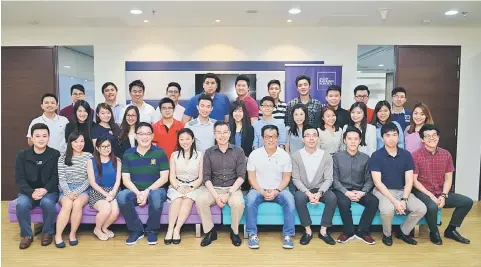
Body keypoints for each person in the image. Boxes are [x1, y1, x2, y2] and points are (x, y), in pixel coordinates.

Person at [412, 124, 473, 245]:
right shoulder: (415, 155)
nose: (432, 138)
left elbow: (448, 178)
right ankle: (434, 232)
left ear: (438, 137)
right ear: (422, 139)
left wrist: (444, 195)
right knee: (432, 206)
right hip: (422, 191)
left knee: (467, 202)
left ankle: (451, 230)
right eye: (428, 136)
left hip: (441, 191)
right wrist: (431, 196)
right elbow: (414, 181)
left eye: (434, 135)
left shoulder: (446, 154)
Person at [369, 123, 427, 246]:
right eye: (388, 135)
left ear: (398, 137)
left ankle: (403, 232)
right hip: (382, 191)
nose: (391, 138)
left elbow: (409, 180)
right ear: (382, 138)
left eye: (395, 135)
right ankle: (387, 234)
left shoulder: (406, 155)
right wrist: (395, 202)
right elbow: (377, 182)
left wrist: (404, 199)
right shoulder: (376, 156)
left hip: (402, 190)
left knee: (421, 208)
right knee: (387, 209)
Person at [116, 122, 169, 246]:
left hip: (156, 189)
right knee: (122, 196)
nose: (144, 137)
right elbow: (126, 179)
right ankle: (136, 230)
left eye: (148, 134)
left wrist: (146, 192)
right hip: (135, 190)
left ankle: (151, 230)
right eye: (141, 134)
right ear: (135, 136)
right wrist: (138, 193)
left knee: (155, 196)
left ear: (152, 136)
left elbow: (164, 177)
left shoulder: (160, 152)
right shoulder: (128, 153)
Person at [196, 121, 246, 247]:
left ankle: (234, 232)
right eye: (219, 132)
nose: (222, 135)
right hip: (214, 188)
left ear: (229, 134)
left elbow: (241, 177)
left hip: (232, 188)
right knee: (201, 200)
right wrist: (217, 196)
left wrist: (228, 194)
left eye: (225, 132)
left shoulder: (238, 151)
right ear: (214, 134)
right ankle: (209, 232)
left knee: (238, 203)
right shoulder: (208, 152)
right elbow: (206, 178)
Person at [246, 125, 295, 249]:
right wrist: (261, 191)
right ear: (262, 138)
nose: (271, 140)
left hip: (279, 189)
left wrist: (277, 191)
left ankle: (288, 235)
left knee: (289, 200)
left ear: (278, 138)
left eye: (273, 137)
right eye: (267, 137)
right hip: (258, 189)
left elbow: (286, 178)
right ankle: (252, 234)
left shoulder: (284, 155)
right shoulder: (254, 154)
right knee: (250, 200)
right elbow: (251, 178)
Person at [15, 123, 61, 249]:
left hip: (49, 190)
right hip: (28, 191)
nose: (41, 139)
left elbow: (56, 176)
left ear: (49, 138)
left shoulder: (55, 154)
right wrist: (31, 192)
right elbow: (20, 178)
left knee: (47, 203)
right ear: (32, 138)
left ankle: (47, 233)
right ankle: (26, 236)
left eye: (44, 136)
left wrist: (45, 189)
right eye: (38, 136)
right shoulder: (22, 155)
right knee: (21, 204)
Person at [291, 125, 337, 246]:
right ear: (303, 139)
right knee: (299, 198)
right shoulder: (296, 156)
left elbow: (329, 179)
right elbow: (295, 178)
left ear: (318, 139)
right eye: (308, 136)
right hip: (304, 188)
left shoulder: (326, 155)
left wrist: (320, 193)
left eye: (314, 135)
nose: (311, 138)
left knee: (332, 197)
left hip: (320, 188)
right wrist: (308, 193)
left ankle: (323, 231)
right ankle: (308, 231)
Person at [332, 126, 378, 245]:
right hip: (342, 189)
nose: (353, 141)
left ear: (359, 140)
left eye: (356, 139)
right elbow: (334, 179)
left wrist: (363, 192)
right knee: (343, 202)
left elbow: (370, 179)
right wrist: (346, 192)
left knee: (374, 201)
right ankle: (348, 232)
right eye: (350, 139)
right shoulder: (337, 157)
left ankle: (362, 231)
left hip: (359, 189)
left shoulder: (366, 158)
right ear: (344, 140)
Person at [165, 128, 204, 245]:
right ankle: (170, 229)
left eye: (187, 139)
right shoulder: (174, 155)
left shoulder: (200, 155)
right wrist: (178, 188)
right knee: (176, 199)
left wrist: (191, 187)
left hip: (195, 186)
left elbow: (201, 177)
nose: (185, 142)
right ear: (178, 141)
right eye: (181, 139)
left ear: (192, 140)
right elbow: (171, 177)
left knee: (187, 199)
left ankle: (177, 229)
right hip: (177, 184)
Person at [55, 131, 92, 248]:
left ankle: (72, 234)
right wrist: (68, 192)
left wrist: (78, 191)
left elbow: (90, 179)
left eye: (82, 141)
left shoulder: (89, 156)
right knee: (67, 204)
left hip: (83, 189)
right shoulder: (62, 158)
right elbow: (62, 179)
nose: (79, 144)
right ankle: (58, 236)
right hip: (66, 188)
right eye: (75, 141)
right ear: (70, 143)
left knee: (77, 203)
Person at [87, 137, 121, 241]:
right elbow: (92, 182)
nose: (106, 149)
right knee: (106, 209)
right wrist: (106, 194)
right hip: (97, 190)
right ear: (97, 148)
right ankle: (97, 229)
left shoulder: (117, 161)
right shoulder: (91, 161)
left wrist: (113, 192)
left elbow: (118, 180)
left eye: (108, 146)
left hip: (113, 190)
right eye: (103, 146)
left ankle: (104, 227)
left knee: (115, 211)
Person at [228, 101, 254, 190]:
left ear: (244, 113)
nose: (237, 113)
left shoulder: (250, 129)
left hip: (245, 163)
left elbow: (251, 149)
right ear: (231, 113)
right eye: (235, 111)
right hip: (229, 164)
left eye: (240, 111)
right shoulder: (227, 128)